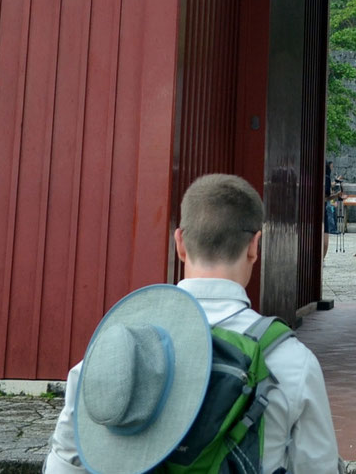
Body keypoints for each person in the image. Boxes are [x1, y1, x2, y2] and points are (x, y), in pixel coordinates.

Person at [47, 172, 338, 474]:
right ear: (254, 246)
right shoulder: (292, 361)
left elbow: (64, 465)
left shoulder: (116, 352)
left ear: (180, 243)